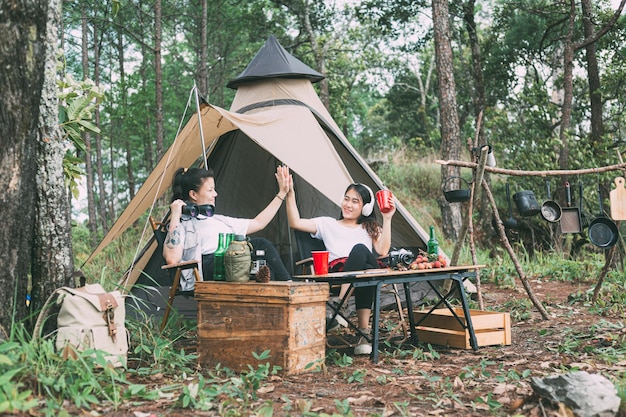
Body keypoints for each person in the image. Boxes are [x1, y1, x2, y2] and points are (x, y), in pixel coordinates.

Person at [285, 171, 396, 355]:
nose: (348, 204)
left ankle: (341, 308)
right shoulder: (327, 224)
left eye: (355, 201)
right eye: (346, 199)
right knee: (367, 272)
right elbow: (295, 222)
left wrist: (388, 218)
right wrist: (290, 193)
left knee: (362, 254)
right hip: (337, 273)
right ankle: (363, 333)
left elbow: (383, 251)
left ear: (365, 208)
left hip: (362, 274)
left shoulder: (369, 227)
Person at [163, 166, 291, 290]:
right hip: (211, 268)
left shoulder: (219, 220)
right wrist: (175, 214)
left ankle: (289, 287)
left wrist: (282, 193)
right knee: (248, 263)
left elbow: (259, 223)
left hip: (235, 260)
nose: (215, 194)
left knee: (262, 247)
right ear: (193, 194)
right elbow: (172, 259)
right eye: (210, 190)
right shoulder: (182, 224)